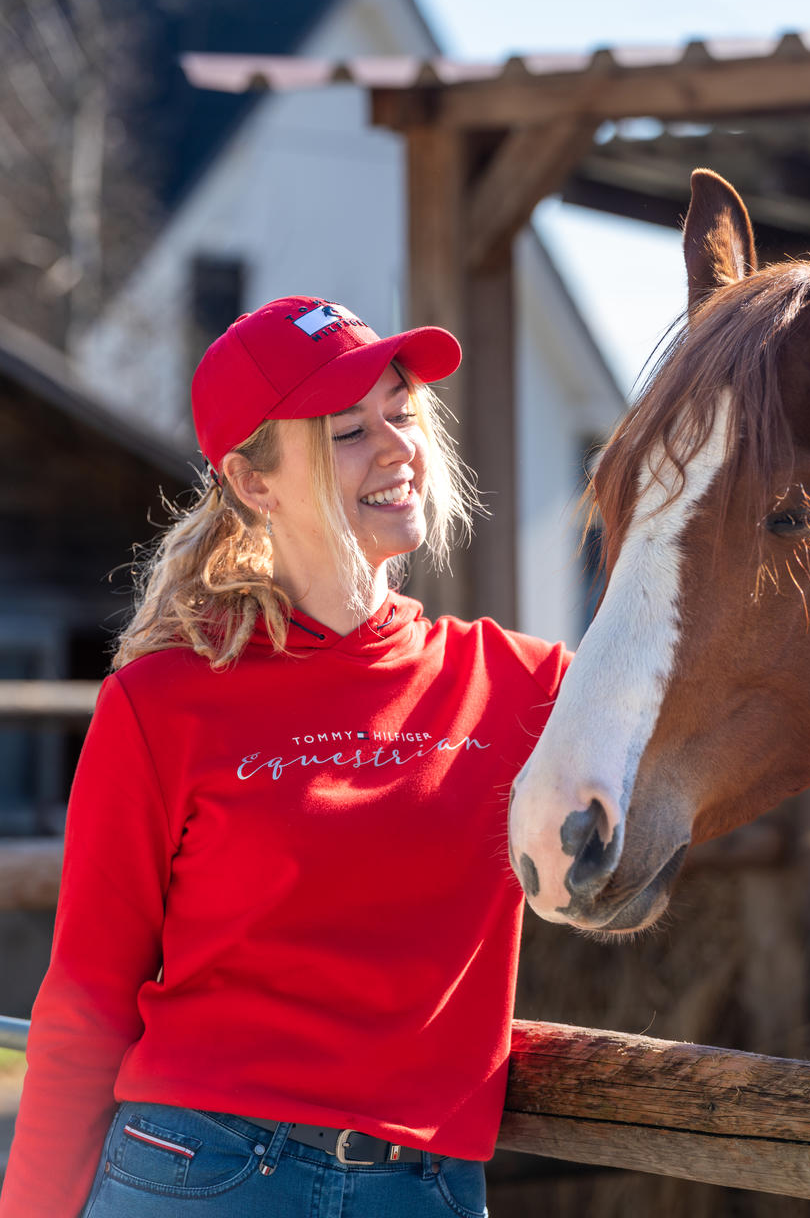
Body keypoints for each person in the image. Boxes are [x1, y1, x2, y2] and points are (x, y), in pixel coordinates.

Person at [0, 296, 571, 1218]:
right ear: (252, 480)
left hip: (427, 1191)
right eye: (348, 429)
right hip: (197, 1173)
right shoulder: (162, 703)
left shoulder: (522, 686)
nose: (396, 447)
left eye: (402, 412)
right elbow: (88, 998)